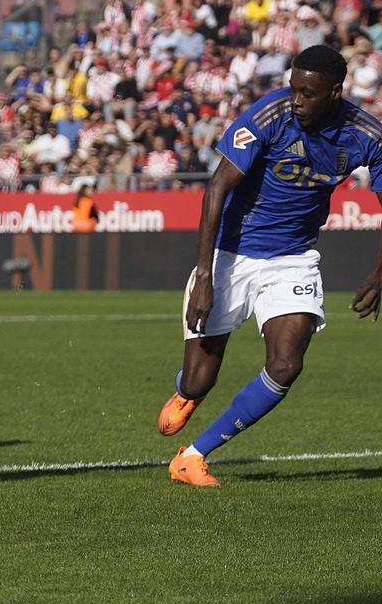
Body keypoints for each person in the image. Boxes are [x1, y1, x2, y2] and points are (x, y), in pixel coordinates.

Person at [157, 45, 382, 487]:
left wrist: (378, 273)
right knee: (202, 378)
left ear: (335, 92)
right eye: (293, 87)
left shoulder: (366, 135)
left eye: (307, 92)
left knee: (286, 364)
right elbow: (216, 188)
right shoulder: (269, 114)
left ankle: (193, 457)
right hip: (231, 255)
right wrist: (204, 277)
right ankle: (188, 391)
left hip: (293, 259)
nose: (295, 98)